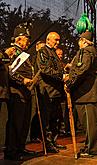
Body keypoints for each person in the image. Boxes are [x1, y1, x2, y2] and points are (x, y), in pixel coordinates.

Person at [64, 31, 97, 157]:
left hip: (86, 93)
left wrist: (70, 83)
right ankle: (89, 147)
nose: (78, 43)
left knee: (90, 124)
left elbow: (82, 69)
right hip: (87, 93)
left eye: (79, 41)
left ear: (84, 41)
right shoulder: (91, 51)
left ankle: (92, 149)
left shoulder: (85, 51)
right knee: (88, 124)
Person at [4, 22, 37, 161]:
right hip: (16, 93)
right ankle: (12, 151)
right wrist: (22, 80)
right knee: (15, 123)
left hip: (27, 93)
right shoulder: (11, 52)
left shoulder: (25, 54)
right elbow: (9, 71)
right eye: (26, 39)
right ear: (18, 39)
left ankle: (20, 148)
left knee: (24, 123)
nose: (28, 41)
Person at [36, 32, 66, 153]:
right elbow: (45, 69)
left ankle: (53, 141)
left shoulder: (53, 52)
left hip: (56, 91)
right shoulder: (43, 51)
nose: (58, 43)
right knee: (47, 120)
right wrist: (61, 76)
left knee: (55, 119)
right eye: (56, 40)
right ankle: (47, 144)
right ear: (48, 40)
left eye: (59, 40)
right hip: (47, 90)